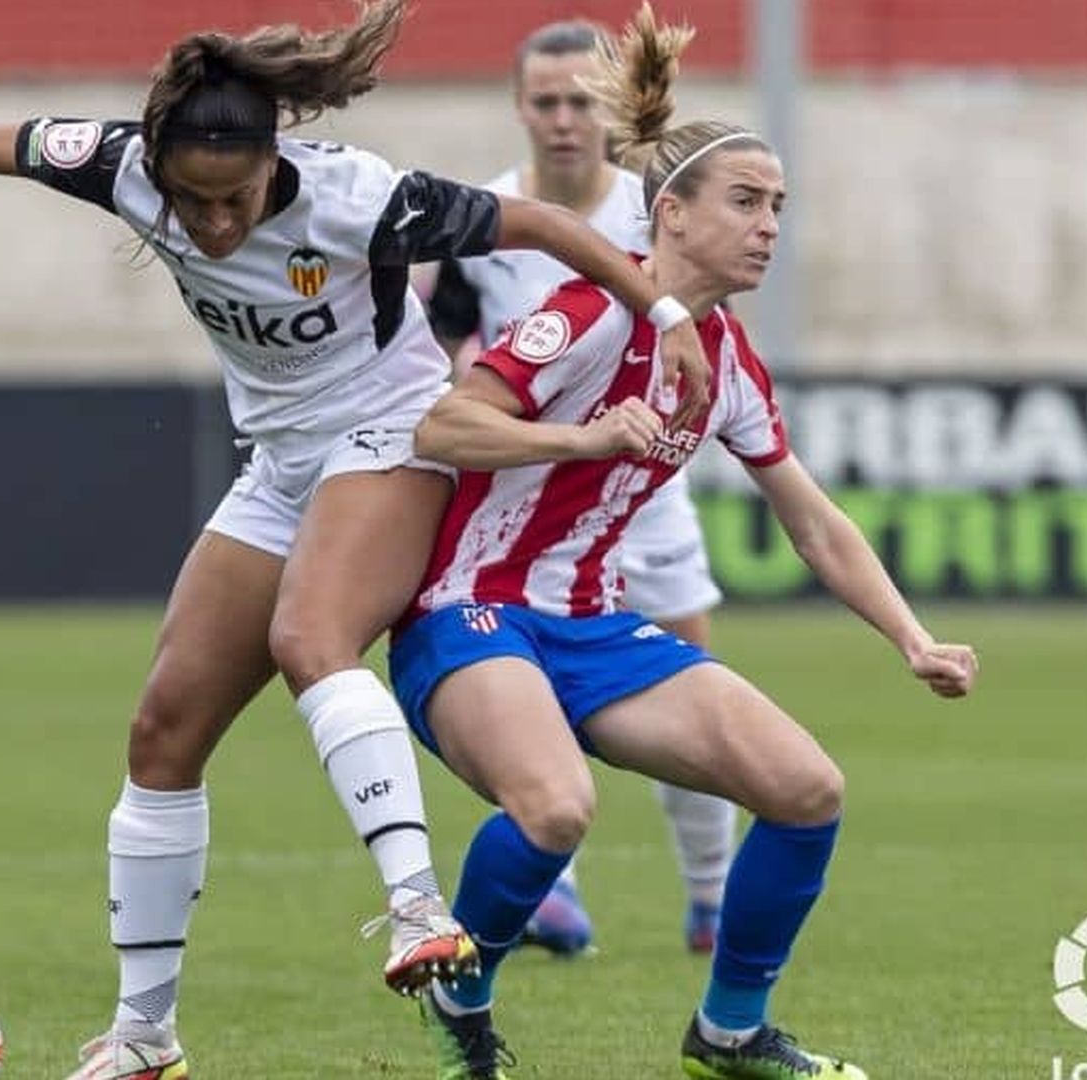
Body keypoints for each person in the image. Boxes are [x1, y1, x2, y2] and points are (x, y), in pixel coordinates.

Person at [0, 3, 712, 1077]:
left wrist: (665, 319)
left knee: (313, 638)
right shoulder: (120, 165)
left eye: (236, 199)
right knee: (163, 731)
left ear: (274, 165)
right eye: (192, 201)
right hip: (282, 463)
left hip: (392, 435)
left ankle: (414, 910)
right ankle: (145, 1036)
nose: (212, 225)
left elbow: (544, 228)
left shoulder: (359, 198)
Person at [388, 8, 978, 1079]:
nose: (768, 227)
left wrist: (911, 638)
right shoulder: (589, 307)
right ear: (672, 214)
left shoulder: (729, 357)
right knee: (559, 806)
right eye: (747, 203)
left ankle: (731, 1031)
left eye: (779, 208)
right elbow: (444, 424)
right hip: (468, 612)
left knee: (808, 790)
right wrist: (581, 432)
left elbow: (811, 518)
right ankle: (462, 998)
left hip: (593, 629)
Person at [424, 17, 735, 960]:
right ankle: (552, 887)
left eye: (580, 102)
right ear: (520, 107)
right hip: (523, 495)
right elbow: (445, 343)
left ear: (607, 111)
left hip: (640, 489)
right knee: (522, 680)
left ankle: (710, 897)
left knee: (692, 684)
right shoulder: (484, 213)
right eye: (546, 101)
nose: (564, 119)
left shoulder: (653, 214)